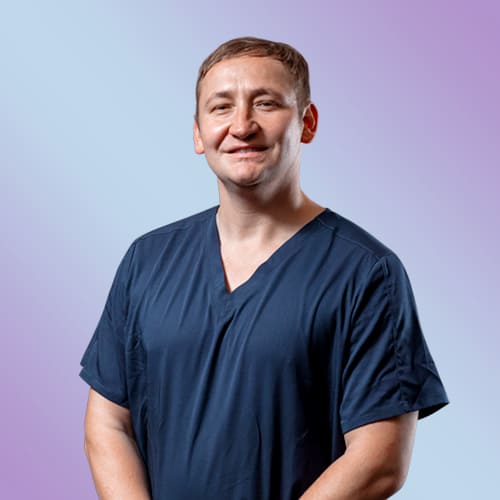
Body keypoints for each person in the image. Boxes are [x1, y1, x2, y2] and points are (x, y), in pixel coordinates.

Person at [80, 36, 448, 499]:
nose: (241, 126)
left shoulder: (366, 273)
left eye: (266, 103)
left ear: (307, 123)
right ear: (198, 133)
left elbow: (380, 459)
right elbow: (108, 423)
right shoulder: (147, 260)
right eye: (221, 107)